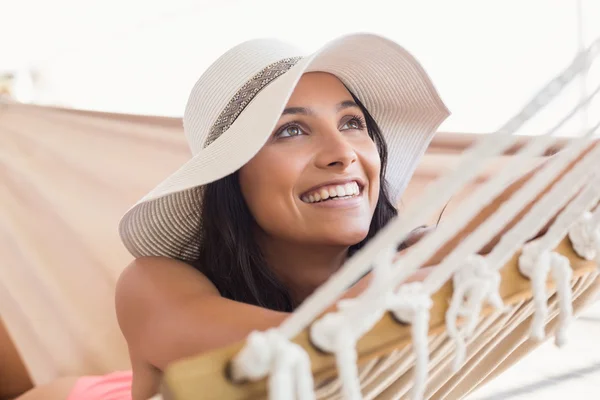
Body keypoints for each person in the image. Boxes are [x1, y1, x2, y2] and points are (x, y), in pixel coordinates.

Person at [17, 33, 449, 400]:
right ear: (231, 178)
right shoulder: (153, 284)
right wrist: (404, 278)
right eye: (290, 130)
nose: (342, 153)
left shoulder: (409, 255)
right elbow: (296, 347)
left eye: (352, 122)